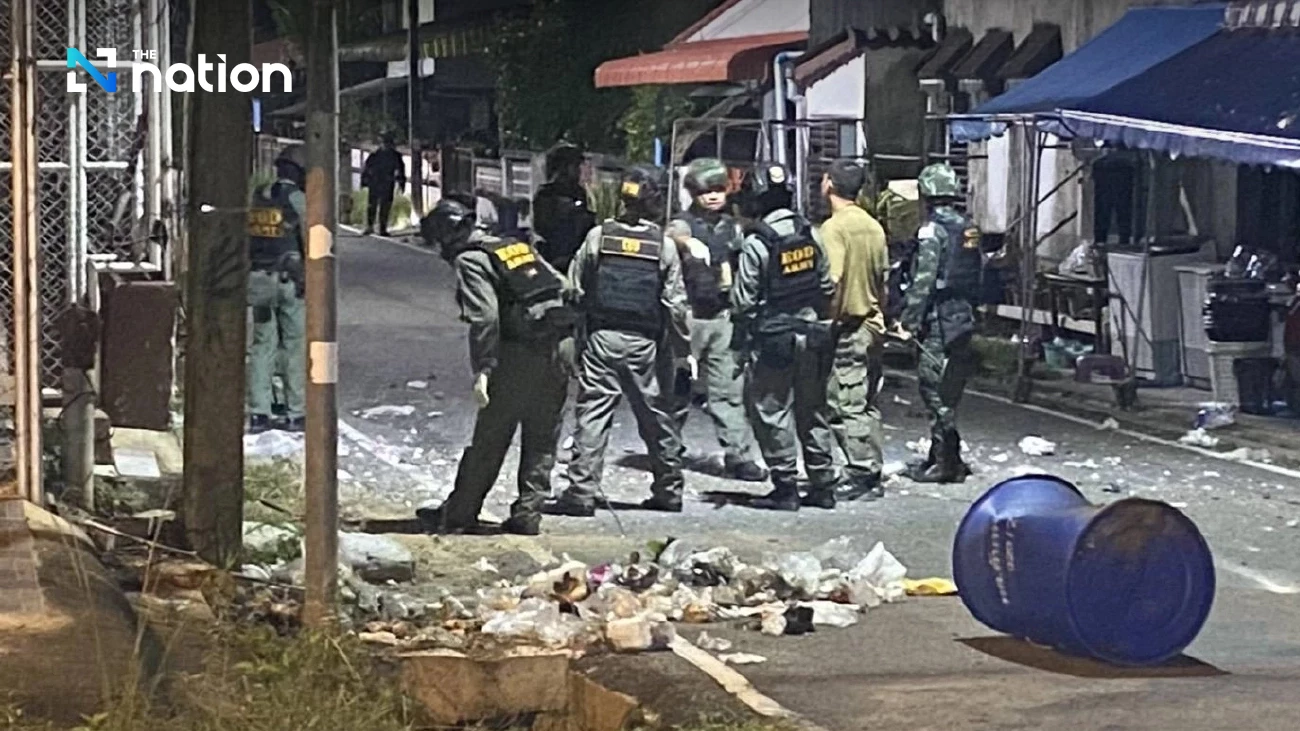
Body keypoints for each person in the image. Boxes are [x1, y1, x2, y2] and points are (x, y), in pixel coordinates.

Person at [415, 197, 575, 535]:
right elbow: (565, 286)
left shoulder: (470, 260)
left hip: (519, 355)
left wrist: (484, 368)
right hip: (560, 348)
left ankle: (460, 513)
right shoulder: (514, 246)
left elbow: (485, 318)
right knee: (543, 436)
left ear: (445, 237)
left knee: (491, 437)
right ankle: (528, 513)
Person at [546, 166, 691, 516]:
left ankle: (581, 492)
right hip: (645, 344)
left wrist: (573, 333)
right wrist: (683, 350)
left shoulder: (599, 237)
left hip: (602, 339)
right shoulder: (663, 246)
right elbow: (675, 305)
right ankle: (669, 490)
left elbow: (574, 288)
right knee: (657, 416)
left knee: (594, 414)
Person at [732, 163, 841, 511]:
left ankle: (785, 486)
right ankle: (823, 485)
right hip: (812, 335)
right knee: (814, 410)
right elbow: (826, 286)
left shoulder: (756, 242)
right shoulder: (810, 233)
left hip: (774, 341)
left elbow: (744, 302)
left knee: (772, 411)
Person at [671, 157, 767, 482]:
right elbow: (673, 235)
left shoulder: (732, 226)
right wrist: (687, 243)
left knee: (728, 391)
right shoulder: (684, 224)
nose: (713, 196)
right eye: (705, 190)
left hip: (724, 318)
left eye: (718, 189)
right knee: (677, 389)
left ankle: (739, 457)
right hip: (689, 319)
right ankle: (667, 450)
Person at [900, 163, 979, 484]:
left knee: (935, 390)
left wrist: (908, 321)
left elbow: (923, 281)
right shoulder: (968, 229)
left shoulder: (932, 231)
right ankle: (940, 456)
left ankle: (947, 462)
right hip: (962, 316)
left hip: (938, 320)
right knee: (950, 388)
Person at [819, 159, 890, 501]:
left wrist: (825, 324)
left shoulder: (834, 229)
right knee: (867, 402)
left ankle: (862, 473)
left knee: (845, 404)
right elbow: (883, 281)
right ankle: (872, 465)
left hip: (849, 327)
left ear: (829, 184)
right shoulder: (874, 227)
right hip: (873, 324)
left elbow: (833, 282)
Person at [246, 145, 307, 434]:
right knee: (293, 344)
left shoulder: (259, 196)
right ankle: (295, 412)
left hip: (259, 279)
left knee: (262, 345)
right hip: (288, 281)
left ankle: (259, 411)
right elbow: (312, 238)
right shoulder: (297, 199)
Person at [532, 143, 596, 273]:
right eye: (575, 166)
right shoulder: (546, 193)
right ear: (563, 167)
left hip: (576, 254)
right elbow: (542, 226)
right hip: (553, 255)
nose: (578, 171)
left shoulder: (578, 192)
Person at [361, 132, 407, 236]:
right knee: (372, 204)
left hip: (387, 182)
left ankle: (382, 228)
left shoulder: (395, 156)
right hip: (375, 181)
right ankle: (370, 226)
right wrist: (365, 180)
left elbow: (400, 170)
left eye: (387, 143)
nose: (385, 145)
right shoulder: (375, 155)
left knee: (385, 206)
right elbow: (367, 168)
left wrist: (401, 182)